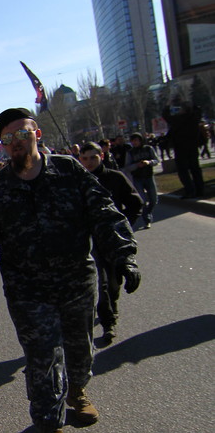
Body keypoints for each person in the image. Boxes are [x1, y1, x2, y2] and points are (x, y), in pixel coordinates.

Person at [0, 108, 141, 433]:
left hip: (76, 281)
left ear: (37, 134)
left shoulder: (69, 171)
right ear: (3, 147)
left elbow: (103, 213)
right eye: (8, 139)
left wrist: (124, 255)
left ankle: (78, 391)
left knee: (80, 348)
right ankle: (49, 421)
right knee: (42, 356)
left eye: (22, 134)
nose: (16, 143)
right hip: (27, 289)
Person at [78, 142, 143, 345]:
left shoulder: (115, 177)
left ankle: (111, 309)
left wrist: (123, 228)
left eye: (93, 158)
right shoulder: (76, 181)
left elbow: (135, 204)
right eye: (84, 158)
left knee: (114, 284)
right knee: (102, 284)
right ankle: (108, 324)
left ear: (102, 157)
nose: (88, 162)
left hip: (112, 241)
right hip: (89, 242)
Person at [163, 98, 205, 198]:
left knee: (183, 171)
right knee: (195, 169)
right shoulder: (194, 118)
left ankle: (190, 190)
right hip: (193, 146)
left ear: (183, 110)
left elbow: (166, 116)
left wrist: (168, 105)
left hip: (180, 147)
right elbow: (198, 111)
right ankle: (200, 190)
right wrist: (193, 104)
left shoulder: (177, 120)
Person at [122, 133, 160, 229]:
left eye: (136, 140)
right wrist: (136, 165)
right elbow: (127, 167)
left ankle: (148, 212)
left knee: (153, 200)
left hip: (149, 177)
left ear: (140, 140)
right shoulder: (130, 153)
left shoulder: (148, 149)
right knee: (142, 200)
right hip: (137, 178)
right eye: (132, 141)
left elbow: (156, 160)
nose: (134, 142)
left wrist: (148, 162)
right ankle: (147, 219)